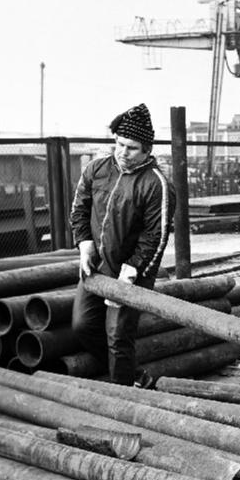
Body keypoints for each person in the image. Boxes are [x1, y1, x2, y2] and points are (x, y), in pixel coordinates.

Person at [70, 103, 176, 387]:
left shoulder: (156, 185)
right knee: (83, 326)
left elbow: (156, 236)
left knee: (117, 336)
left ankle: (123, 399)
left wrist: (130, 275)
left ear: (146, 150)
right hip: (97, 266)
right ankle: (132, 374)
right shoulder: (96, 169)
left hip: (132, 272)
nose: (122, 152)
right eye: (118, 143)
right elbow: (79, 209)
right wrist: (84, 245)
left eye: (131, 147)